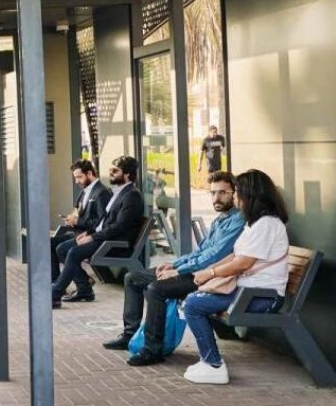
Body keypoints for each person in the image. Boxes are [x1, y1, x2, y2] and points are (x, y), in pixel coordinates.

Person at [102, 171, 245, 365]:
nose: (216, 198)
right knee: (133, 278)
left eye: (222, 193)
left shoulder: (237, 221)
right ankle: (129, 335)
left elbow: (215, 257)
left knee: (156, 289)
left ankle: (153, 349)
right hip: (194, 271)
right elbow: (200, 251)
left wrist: (179, 271)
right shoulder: (221, 219)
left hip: (208, 277)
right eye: (212, 193)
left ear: (234, 193)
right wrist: (174, 264)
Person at [181, 169, 290, 384]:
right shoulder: (254, 223)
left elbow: (243, 263)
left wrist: (210, 272)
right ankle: (208, 362)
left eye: (238, 191)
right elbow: (235, 255)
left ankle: (213, 365)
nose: (236, 196)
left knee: (193, 305)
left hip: (261, 297)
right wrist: (206, 273)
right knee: (194, 299)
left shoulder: (267, 224)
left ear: (251, 195)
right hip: (246, 291)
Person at [52, 155, 145, 308]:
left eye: (115, 171)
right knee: (62, 248)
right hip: (104, 238)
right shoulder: (119, 192)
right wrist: (89, 232)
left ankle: (55, 293)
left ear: (127, 174)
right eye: (110, 170)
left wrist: (92, 237)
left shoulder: (132, 196)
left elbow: (119, 227)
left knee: (74, 252)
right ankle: (84, 289)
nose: (111, 173)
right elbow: (103, 221)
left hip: (115, 243)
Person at [50, 160, 111, 281]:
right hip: (80, 234)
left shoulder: (102, 192)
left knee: (62, 249)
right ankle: (55, 281)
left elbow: (101, 222)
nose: (77, 181)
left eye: (79, 177)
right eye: (75, 178)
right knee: (51, 243)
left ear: (89, 173)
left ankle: (83, 283)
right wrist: (71, 219)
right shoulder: (85, 192)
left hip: (92, 236)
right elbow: (78, 213)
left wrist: (77, 222)